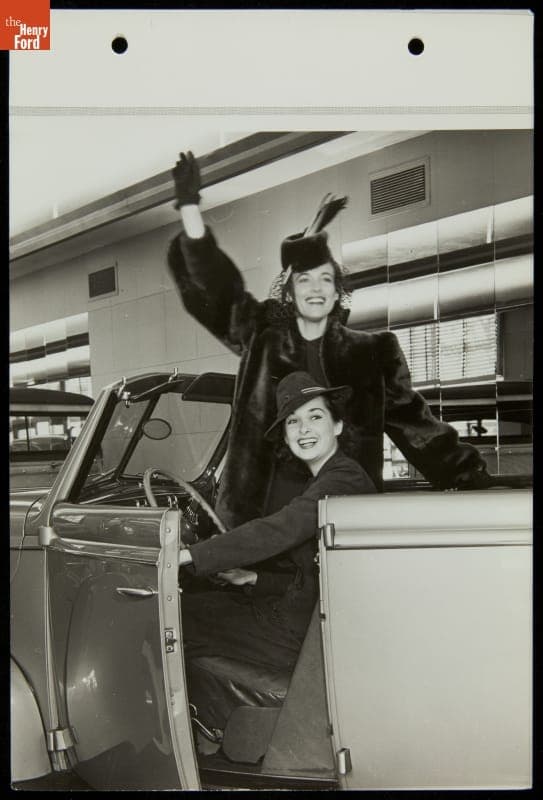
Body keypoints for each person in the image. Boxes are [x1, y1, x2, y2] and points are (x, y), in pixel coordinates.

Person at [167, 151, 492, 530]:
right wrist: (190, 207)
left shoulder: (373, 352)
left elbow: (418, 428)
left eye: (325, 279)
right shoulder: (260, 336)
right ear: (288, 291)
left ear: (339, 291)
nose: (316, 289)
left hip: (341, 516)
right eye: (304, 280)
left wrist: (472, 481)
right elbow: (218, 288)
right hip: (260, 515)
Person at [178, 370, 375, 674]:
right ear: (285, 435)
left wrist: (189, 554)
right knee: (200, 608)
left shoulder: (343, 479)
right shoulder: (329, 478)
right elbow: (313, 578)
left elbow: (279, 528)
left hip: (305, 635)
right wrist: (251, 579)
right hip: (307, 620)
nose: (303, 429)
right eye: (293, 421)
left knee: (176, 618)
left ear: (338, 425)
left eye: (315, 416)